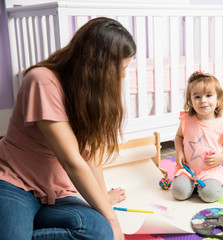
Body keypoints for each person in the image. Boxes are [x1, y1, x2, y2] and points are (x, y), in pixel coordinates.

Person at [0, 17, 136, 240]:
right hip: (14, 182)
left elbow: (92, 155)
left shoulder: (89, 95)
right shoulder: (42, 80)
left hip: (57, 192)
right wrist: (113, 221)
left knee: (99, 232)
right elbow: (73, 162)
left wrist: (103, 199)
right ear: (98, 66)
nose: (122, 76)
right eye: (120, 69)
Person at [171, 71, 223, 203]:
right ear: (190, 101)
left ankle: (203, 186)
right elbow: (178, 137)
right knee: (178, 193)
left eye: (208, 95)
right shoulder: (187, 120)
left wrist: (221, 157)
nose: (203, 100)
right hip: (187, 169)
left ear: (218, 100)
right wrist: (179, 152)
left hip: (211, 171)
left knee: (210, 195)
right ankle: (192, 185)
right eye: (197, 97)